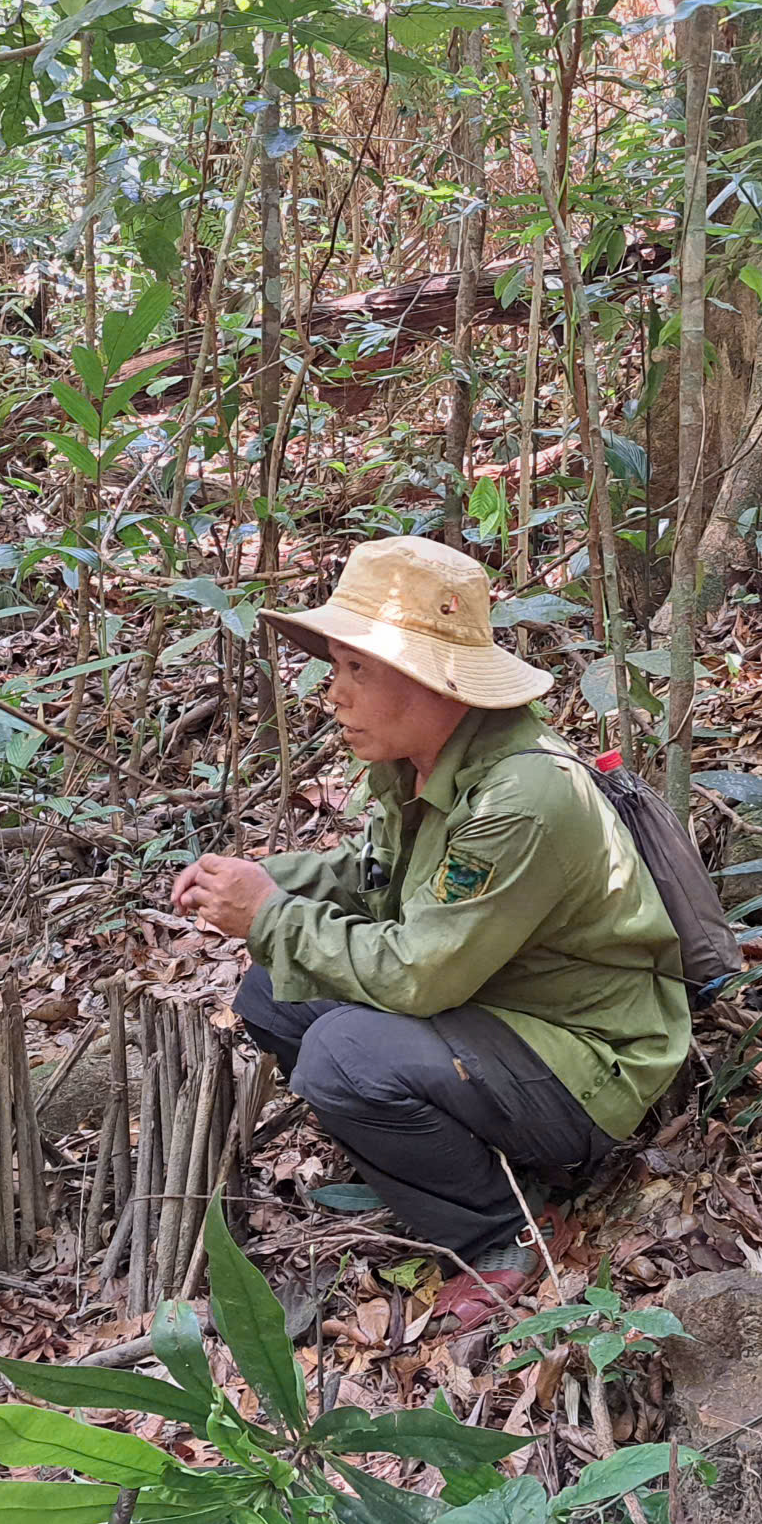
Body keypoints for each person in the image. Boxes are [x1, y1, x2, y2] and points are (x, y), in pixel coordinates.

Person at [171, 536, 689, 1330]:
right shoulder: (428, 765)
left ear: (427, 678)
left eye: (357, 670)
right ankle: (461, 1159)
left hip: (586, 1058)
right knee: (272, 995)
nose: (333, 695)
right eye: (336, 667)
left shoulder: (522, 798)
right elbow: (374, 871)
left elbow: (421, 976)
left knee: (341, 1055)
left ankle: (506, 1228)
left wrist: (270, 912)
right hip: (498, 1014)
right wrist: (261, 879)